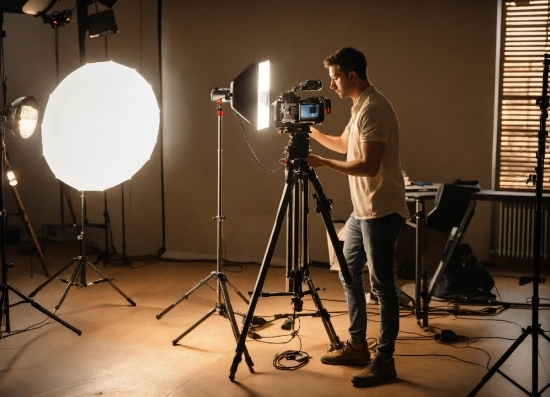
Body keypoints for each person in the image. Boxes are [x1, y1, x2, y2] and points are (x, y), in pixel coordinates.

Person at [305, 47, 409, 387]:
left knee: (382, 287)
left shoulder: (375, 109)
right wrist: (309, 133)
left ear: (352, 75)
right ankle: (357, 344)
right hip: (363, 210)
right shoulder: (359, 106)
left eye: (335, 77)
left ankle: (385, 360)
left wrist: (322, 163)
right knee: (348, 270)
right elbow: (341, 143)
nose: (331, 84)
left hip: (381, 210)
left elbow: (367, 165)